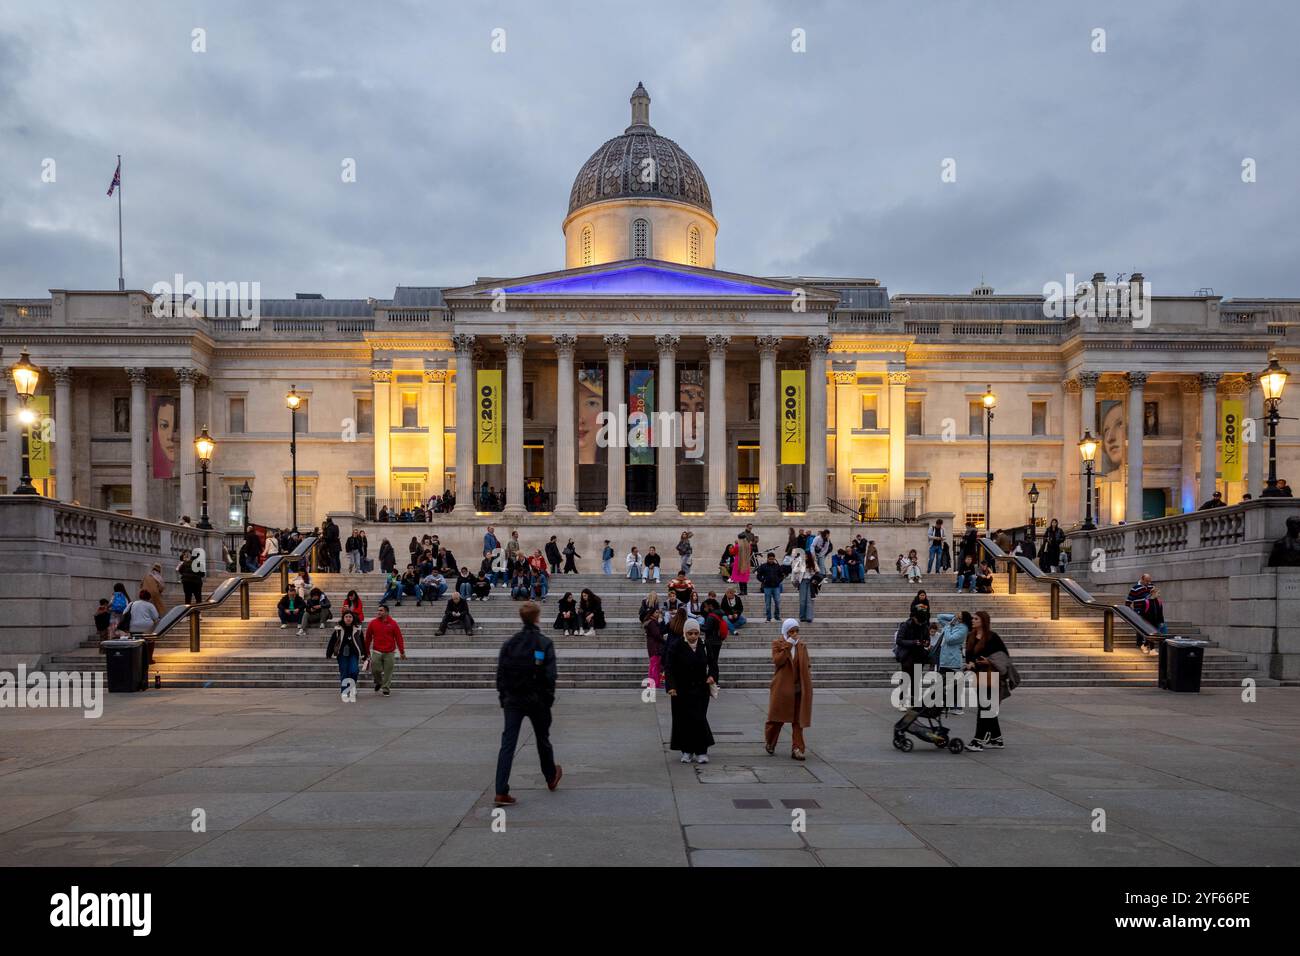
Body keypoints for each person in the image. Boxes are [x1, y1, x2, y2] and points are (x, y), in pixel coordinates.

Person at [493, 601, 561, 805]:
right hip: (536, 699)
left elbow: (500, 675)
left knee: (508, 744)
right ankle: (550, 776)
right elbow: (551, 676)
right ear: (537, 618)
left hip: (513, 699)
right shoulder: (544, 643)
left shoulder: (510, 643)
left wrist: (503, 698)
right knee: (543, 739)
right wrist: (547, 699)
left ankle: (500, 791)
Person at [664, 618, 716, 764]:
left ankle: (701, 750)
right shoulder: (676, 645)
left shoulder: (704, 645)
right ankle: (686, 750)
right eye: (690, 633)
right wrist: (671, 686)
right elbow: (669, 667)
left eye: (696, 633)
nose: (693, 636)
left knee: (699, 718)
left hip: (700, 688)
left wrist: (712, 676)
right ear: (685, 633)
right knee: (683, 720)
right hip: (681, 689)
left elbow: (713, 663)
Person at [964, 610, 1017, 751]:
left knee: (984, 708)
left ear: (983, 621)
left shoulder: (992, 637)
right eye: (973, 618)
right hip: (978, 676)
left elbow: (1003, 656)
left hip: (992, 676)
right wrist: (969, 664)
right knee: (987, 708)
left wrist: (989, 661)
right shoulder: (970, 636)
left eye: (976, 619)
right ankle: (996, 739)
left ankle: (978, 740)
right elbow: (969, 655)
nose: (973, 620)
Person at [766, 619, 813, 760]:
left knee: (798, 721)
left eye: (796, 631)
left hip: (799, 688)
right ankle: (770, 742)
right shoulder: (778, 644)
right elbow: (777, 661)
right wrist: (787, 646)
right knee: (777, 719)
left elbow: (807, 664)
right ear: (785, 632)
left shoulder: (802, 646)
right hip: (782, 689)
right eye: (791, 631)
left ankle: (797, 748)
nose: (794, 634)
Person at [933, 610, 971, 714]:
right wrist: (953, 617)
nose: (956, 616)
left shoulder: (963, 629)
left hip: (953, 660)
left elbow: (950, 639)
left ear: (963, 619)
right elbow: (940, 616)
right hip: (945, 659)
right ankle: (945, 705)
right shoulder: (954, 623)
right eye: (957, 615)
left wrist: (947, 627)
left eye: (959, 615)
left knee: (953, 685)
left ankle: (956, 707)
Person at [364, 604, 406, 695]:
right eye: (378, 610)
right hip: (377, 651)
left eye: (381, 610)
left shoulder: (393, 623)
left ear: (386, 612)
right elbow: (367, 638)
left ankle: (386, 688)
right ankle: (379, 682)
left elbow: (399, 638)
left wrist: (402, 651)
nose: (379, 612)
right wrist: (366, 651)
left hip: (390, 652)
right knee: (375, 670)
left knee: (388, 671)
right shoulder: (373, 623)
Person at [326, 609, 366, 694]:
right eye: (346, 617)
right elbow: (332, 641)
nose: (348, 618)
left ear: (353, 618)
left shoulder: (358, 629)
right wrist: (329, 653)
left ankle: (352, 687)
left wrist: (365, 654)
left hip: (354, 654)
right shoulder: (338, 629)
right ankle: (344, 690)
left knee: (354, 671)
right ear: (343, 618)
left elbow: (362, 642)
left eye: (350, 617)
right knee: (344, 671)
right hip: (342, 654)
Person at [1125, 573, 1165, 653]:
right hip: (1139, 610)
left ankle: (1146, 645)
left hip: (1150, 611)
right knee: (1141, 627)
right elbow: (1129, 600)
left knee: (1150, 628)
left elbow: (1154, 596)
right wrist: (1129, 612)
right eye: (1147, 581)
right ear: (1142, 579)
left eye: (1149, 581)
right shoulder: (1135, 588)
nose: (1148, 583)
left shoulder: (1151, 586)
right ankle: (1140, 644)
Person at [756, 552, 786, 622]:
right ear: (767, 559)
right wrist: (763, 580)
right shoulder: (763, 566)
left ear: (774, 559)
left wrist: (778, 581)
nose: (771, 560)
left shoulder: (777, 566)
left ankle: (777, 616)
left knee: (777, 602)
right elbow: (758, 575)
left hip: (776, 587)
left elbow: (782, 575)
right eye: (770, 559)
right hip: (767, 587)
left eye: (772, 559)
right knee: (768, 603)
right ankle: (768, 617)